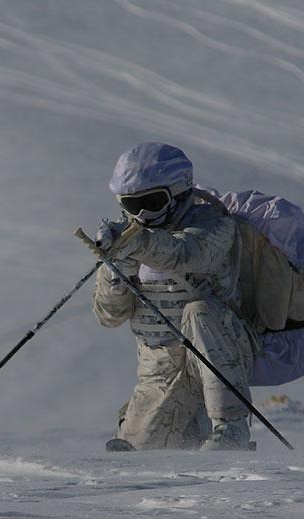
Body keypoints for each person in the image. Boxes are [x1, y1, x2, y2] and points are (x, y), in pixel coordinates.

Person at [88, 142, 256, 451]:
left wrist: (137, 245)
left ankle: (231, 428)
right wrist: (117, 271)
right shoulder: (127, 242)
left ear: (180, 192)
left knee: (200, 310)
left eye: (152, 202)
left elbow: (187, 254)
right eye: (130, 204)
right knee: (138, 463)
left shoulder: (213, 224)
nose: (142, 215)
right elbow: (109, 316)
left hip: (216, 353)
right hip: (159, 369)